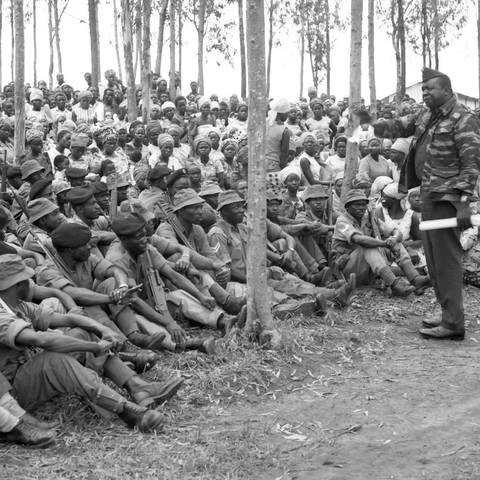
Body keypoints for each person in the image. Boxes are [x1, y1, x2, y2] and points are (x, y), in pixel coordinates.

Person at [0, 254, 179, 433]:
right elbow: (42, 340)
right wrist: (93, 347)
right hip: (13, 391)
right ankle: (126, 411)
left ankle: (138, 387)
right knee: (53, 360)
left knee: (83, 332)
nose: (30, 282)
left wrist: (103, 330)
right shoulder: (2, 314)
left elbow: (69, 319)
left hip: (27, 373)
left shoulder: (18, 305)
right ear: (17, 284)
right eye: (26, 279)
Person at [398, 68, 480, 340]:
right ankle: (447, 313)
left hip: (449, 199)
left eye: (430, 89)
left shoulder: (463, 119)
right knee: (433, 262)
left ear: (446, 90)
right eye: (422, 89)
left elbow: (470, 164)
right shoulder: (429, 116)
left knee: (446, 262)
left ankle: (454, 323)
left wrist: (464, 203)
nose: (424, 93)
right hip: (430, 196)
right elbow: (403, 127)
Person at [207, 190, 356, 318]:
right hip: (242, 280)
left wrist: (276, 262)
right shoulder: (218, 233)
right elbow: (226, 271)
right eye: (236, 208)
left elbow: (258, 250)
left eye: (242, 207)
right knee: (272, 292)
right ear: (224, 211)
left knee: (285, 277)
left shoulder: (242, 227)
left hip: (256, 274)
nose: (241, 210)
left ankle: (331, 293)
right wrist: (254, 279)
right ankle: (300, 306)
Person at [331, 189, 430, 297]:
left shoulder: (369, 217)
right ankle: (394, 284)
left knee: (395, 243)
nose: (361, 208)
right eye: (357, 205)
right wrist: (384, 243)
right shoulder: (342, 221)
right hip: (348, 271)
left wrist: (393, 238)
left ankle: (415, 279)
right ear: (347, 207)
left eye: (364, 205)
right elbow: (359, 239)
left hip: (368, 269)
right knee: (368, 246)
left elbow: (395, 231)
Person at [265, 98, 291, 189]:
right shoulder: (284, 130)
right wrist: (284, 172)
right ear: (283, 113)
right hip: (274, 167)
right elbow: (284, 155)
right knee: (275, 195)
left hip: (259, 164)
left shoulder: (263, 123)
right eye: (287, 113)